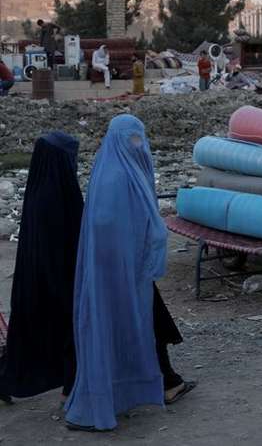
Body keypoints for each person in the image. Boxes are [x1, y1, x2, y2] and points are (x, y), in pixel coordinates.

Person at [65, 115, 194, 432]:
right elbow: (110, 227)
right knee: (122, 327)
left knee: (134, 327)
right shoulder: (117, 179)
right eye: (131, 139)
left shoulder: (115, 172)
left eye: (140, 139)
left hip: (125, 272)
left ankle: (144, 386)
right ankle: (112, 398)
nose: (138, 146)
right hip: (117, 275)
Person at [0, 133, 83, 404]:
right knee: (67, 330)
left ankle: (9, 381)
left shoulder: (41, 188)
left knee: (33, 336)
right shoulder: (55, 194)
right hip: (56, 279)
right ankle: (70, 389)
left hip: (39, 280)